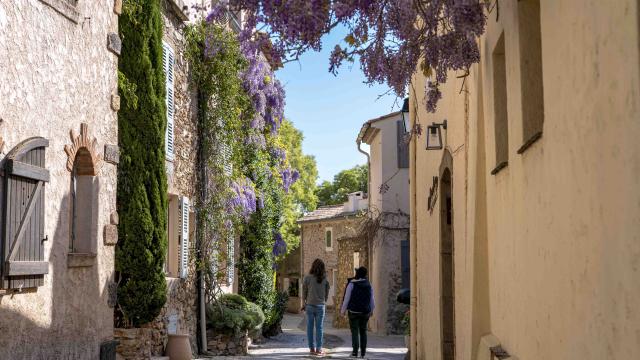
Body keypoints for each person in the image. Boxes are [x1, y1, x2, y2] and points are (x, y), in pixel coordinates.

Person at [341, 266, 375, 358]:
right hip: (365, 312)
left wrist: (343, 311)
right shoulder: (368, 284)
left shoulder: (351, 284)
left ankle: (355, 352)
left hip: (353, 312)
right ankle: (363, 353)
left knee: (355, 331)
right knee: (363, 331)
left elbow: (346, 299)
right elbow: (372, 299)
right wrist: (372, 310)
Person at [303, 258, 330, 356]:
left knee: (309, 328)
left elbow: (304, 291)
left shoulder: (307, 277)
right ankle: (319, 349)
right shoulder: (325, 278)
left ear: (313, 266)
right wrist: (324, 299)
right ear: (323, 268)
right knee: (319, 328)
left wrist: (304, 303)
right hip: (320, 306)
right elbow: (327, 290)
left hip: (309, 305)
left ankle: (311, 349)